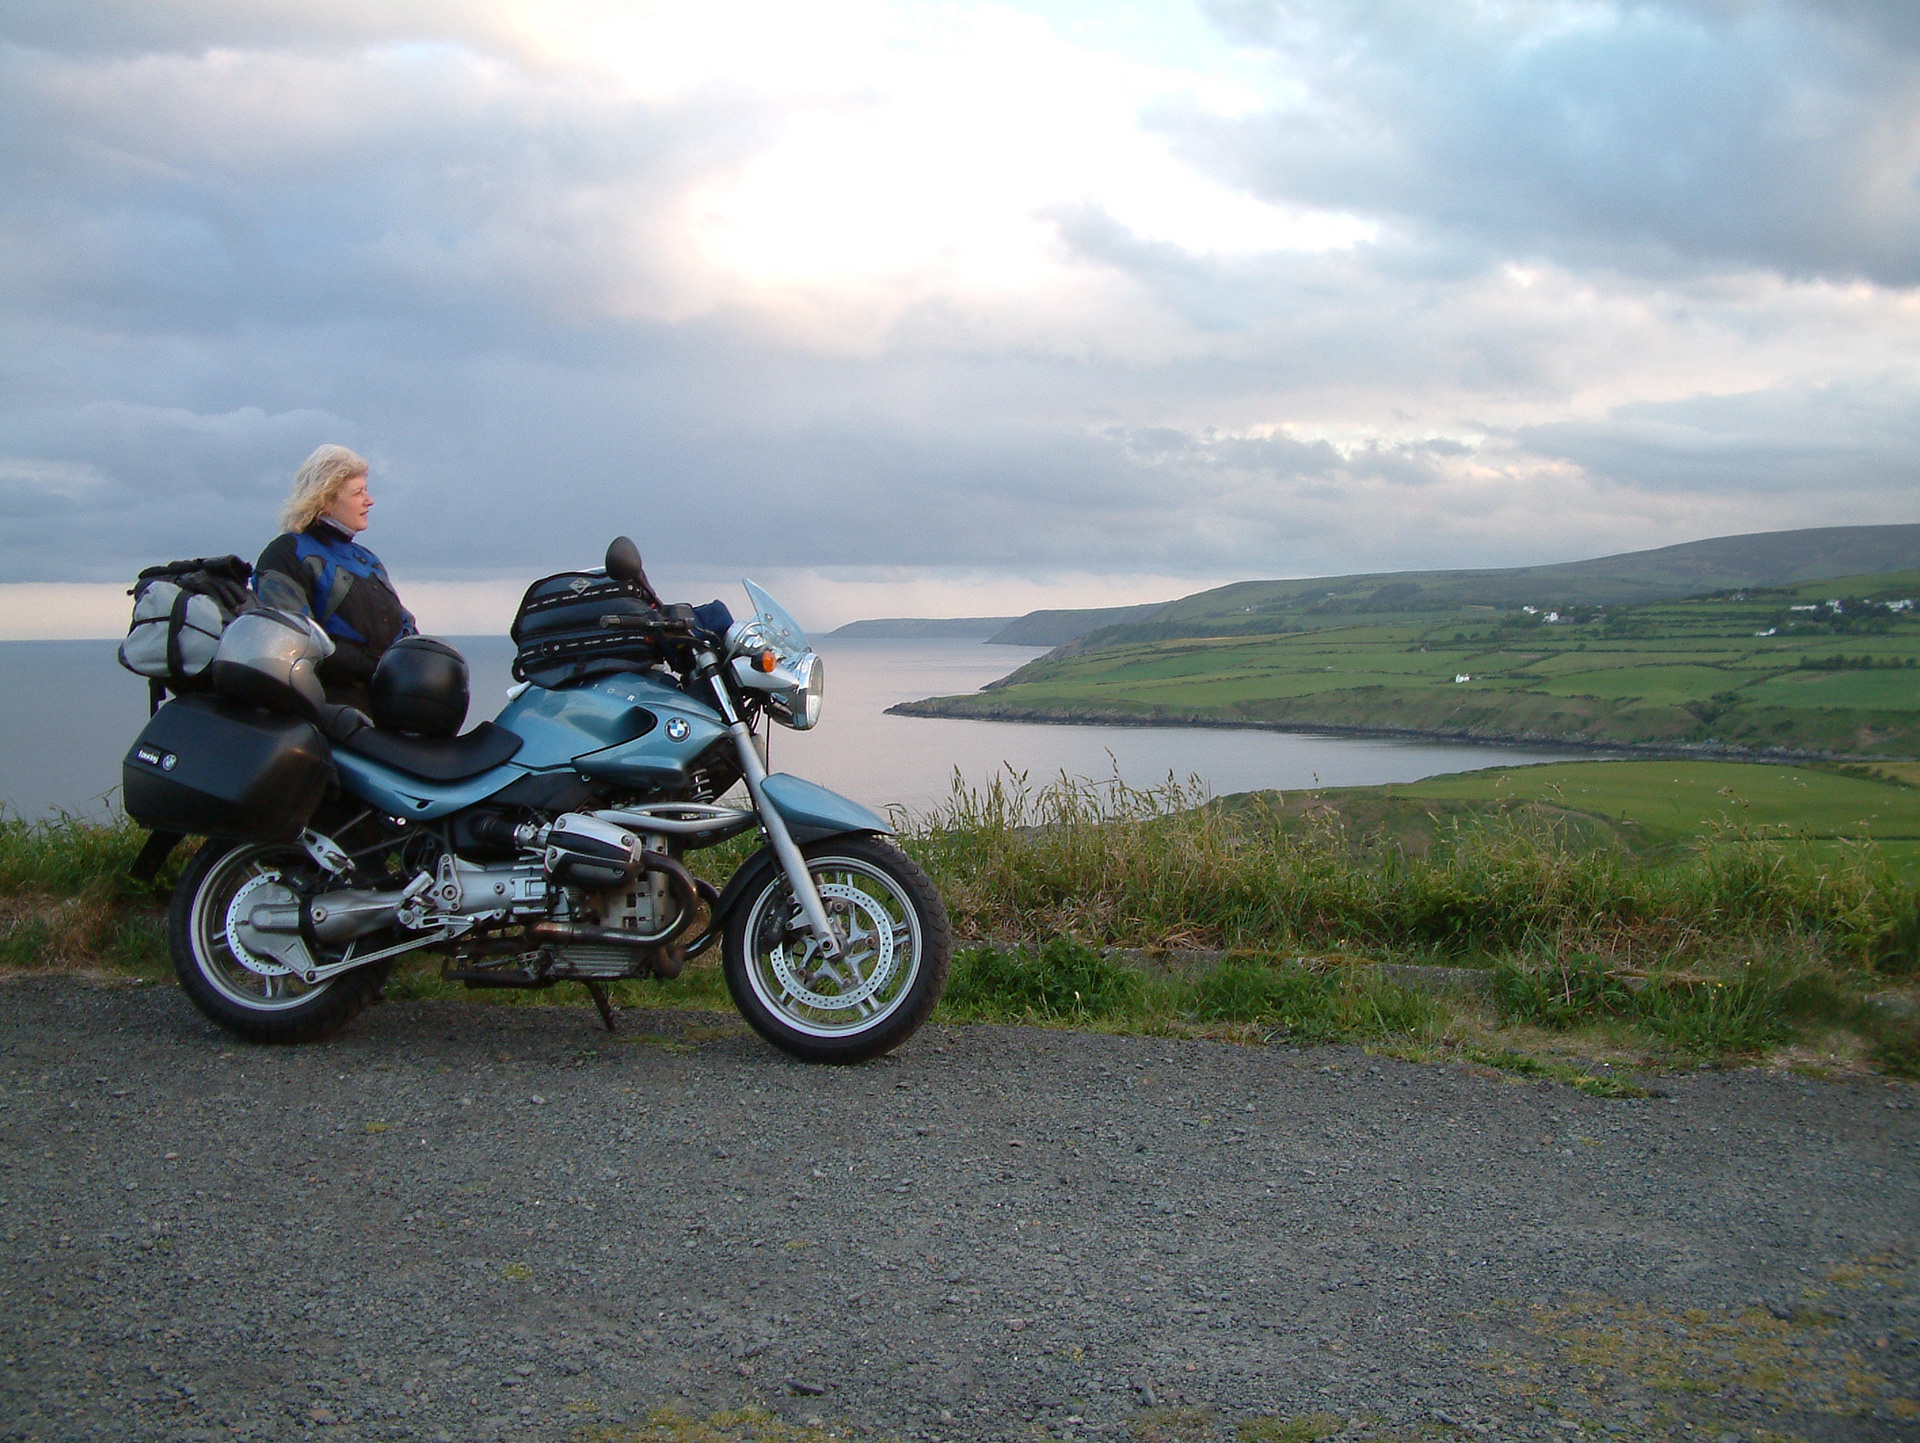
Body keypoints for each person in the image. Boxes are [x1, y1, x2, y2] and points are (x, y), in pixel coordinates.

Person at [254, 444, 416, 709]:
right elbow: (295, 641)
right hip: (326, 713)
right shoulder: (287, 554)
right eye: (358, 492)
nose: (369, 500)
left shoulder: (366, 559)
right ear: (326, 500)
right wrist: (374, 666)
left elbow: (404, 624)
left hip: (382, 709)